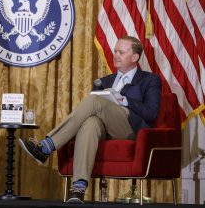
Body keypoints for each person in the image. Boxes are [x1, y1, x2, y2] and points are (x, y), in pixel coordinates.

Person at [18, 36, 161, 204]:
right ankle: (78, 188)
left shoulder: (149, 80)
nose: (115, 55)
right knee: (90, 123)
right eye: (115, 51)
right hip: (104, 129)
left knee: (93, 102)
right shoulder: (104, 80)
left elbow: (151, 113)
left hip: (129, 129)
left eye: (121, 52)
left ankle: (46, 146)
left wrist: (125, 100)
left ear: (135, 57)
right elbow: (91, 111)